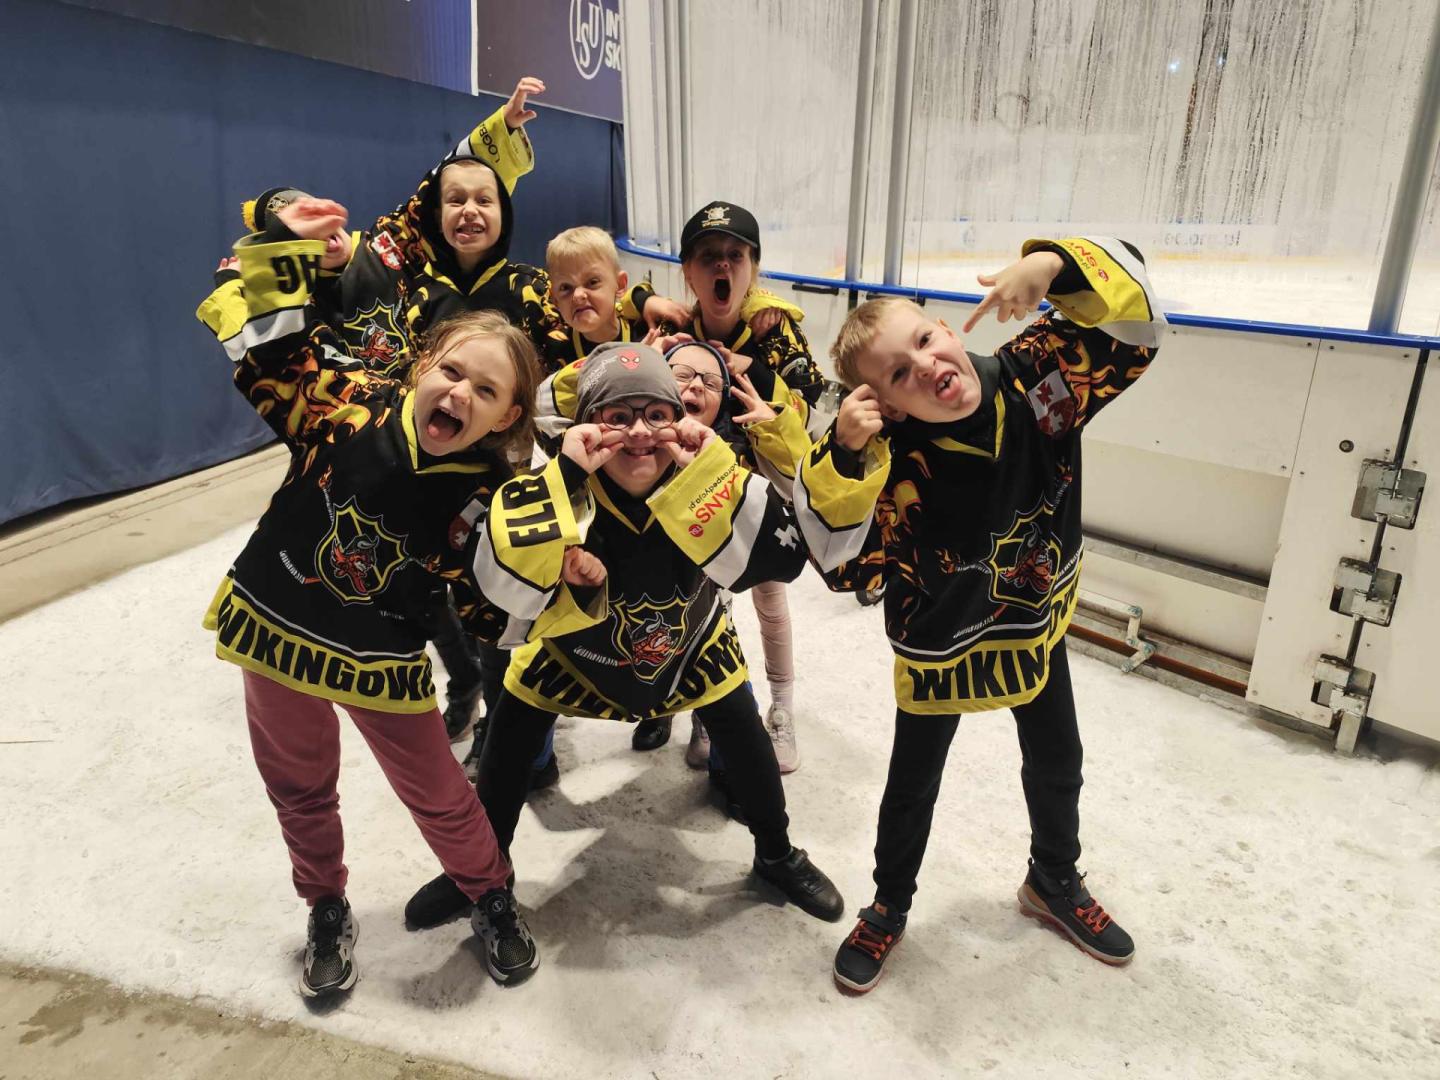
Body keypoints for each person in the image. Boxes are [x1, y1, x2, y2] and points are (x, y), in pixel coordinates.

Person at [793, 236, 1165, 992]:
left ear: (948, 328)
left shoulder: (1034, 374)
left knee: (1058, 759)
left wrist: (1051, 264)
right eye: (899, 374)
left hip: (1032, 619)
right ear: (884, 403)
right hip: (939, 637)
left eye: (924, 341)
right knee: (912, 785)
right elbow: (841, 563)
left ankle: (1053, 879)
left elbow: (1137, 329)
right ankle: (889, 904)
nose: (926, 366)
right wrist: (843, 452)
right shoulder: (886, 454)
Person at [206, 197, 546, 995]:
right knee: (298, 787)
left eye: (484, 390)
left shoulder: (495, 496)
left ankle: (489, 894)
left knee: (440, 791)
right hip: (277, 624)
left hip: (379, 654)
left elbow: (490, 607)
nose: (458, 394)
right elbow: (265, 355)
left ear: (508, 415)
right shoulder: (343, 399)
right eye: (451, 372)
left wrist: (558, 575)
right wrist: (280, 245)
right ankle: (325, 904)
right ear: (422, 366)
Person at [403, 342, 844, 931]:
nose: (639, 432)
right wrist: (564, 492)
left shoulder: (708, 470)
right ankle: (481, 869)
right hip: (575, 649)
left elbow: (784, 558)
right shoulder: (557, 484)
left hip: (689, 639)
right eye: (618, 416)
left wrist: (714, 473)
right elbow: (496, 590)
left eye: (657, 414)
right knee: (509, 731)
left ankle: (777, 853)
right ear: (586, 424)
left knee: (744, 732)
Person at [537, 224, 790, 753]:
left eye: (736, 256)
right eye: (566, 288)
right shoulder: (652, 329)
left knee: (734, 608)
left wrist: (763, 371)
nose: (722, 267)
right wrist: (631, 338)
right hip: (625, 508)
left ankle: (765, 709)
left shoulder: (762, 333)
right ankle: (659, 705)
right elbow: (549, 402)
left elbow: (800, 423)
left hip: (720, 500)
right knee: (635, 604)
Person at [675, 201, 822, 769]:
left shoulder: (775, 331)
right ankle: (710, 709)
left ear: (753, 270)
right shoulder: (673, 331)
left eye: (735, 256)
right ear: (688, 273)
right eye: (709, 256)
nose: (723, 265)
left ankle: (781, 710)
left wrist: (750, 367)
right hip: (696, 496)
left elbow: (807, 408)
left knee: (770, 600)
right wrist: (639, 301)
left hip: (763, 495)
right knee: (705, 606)